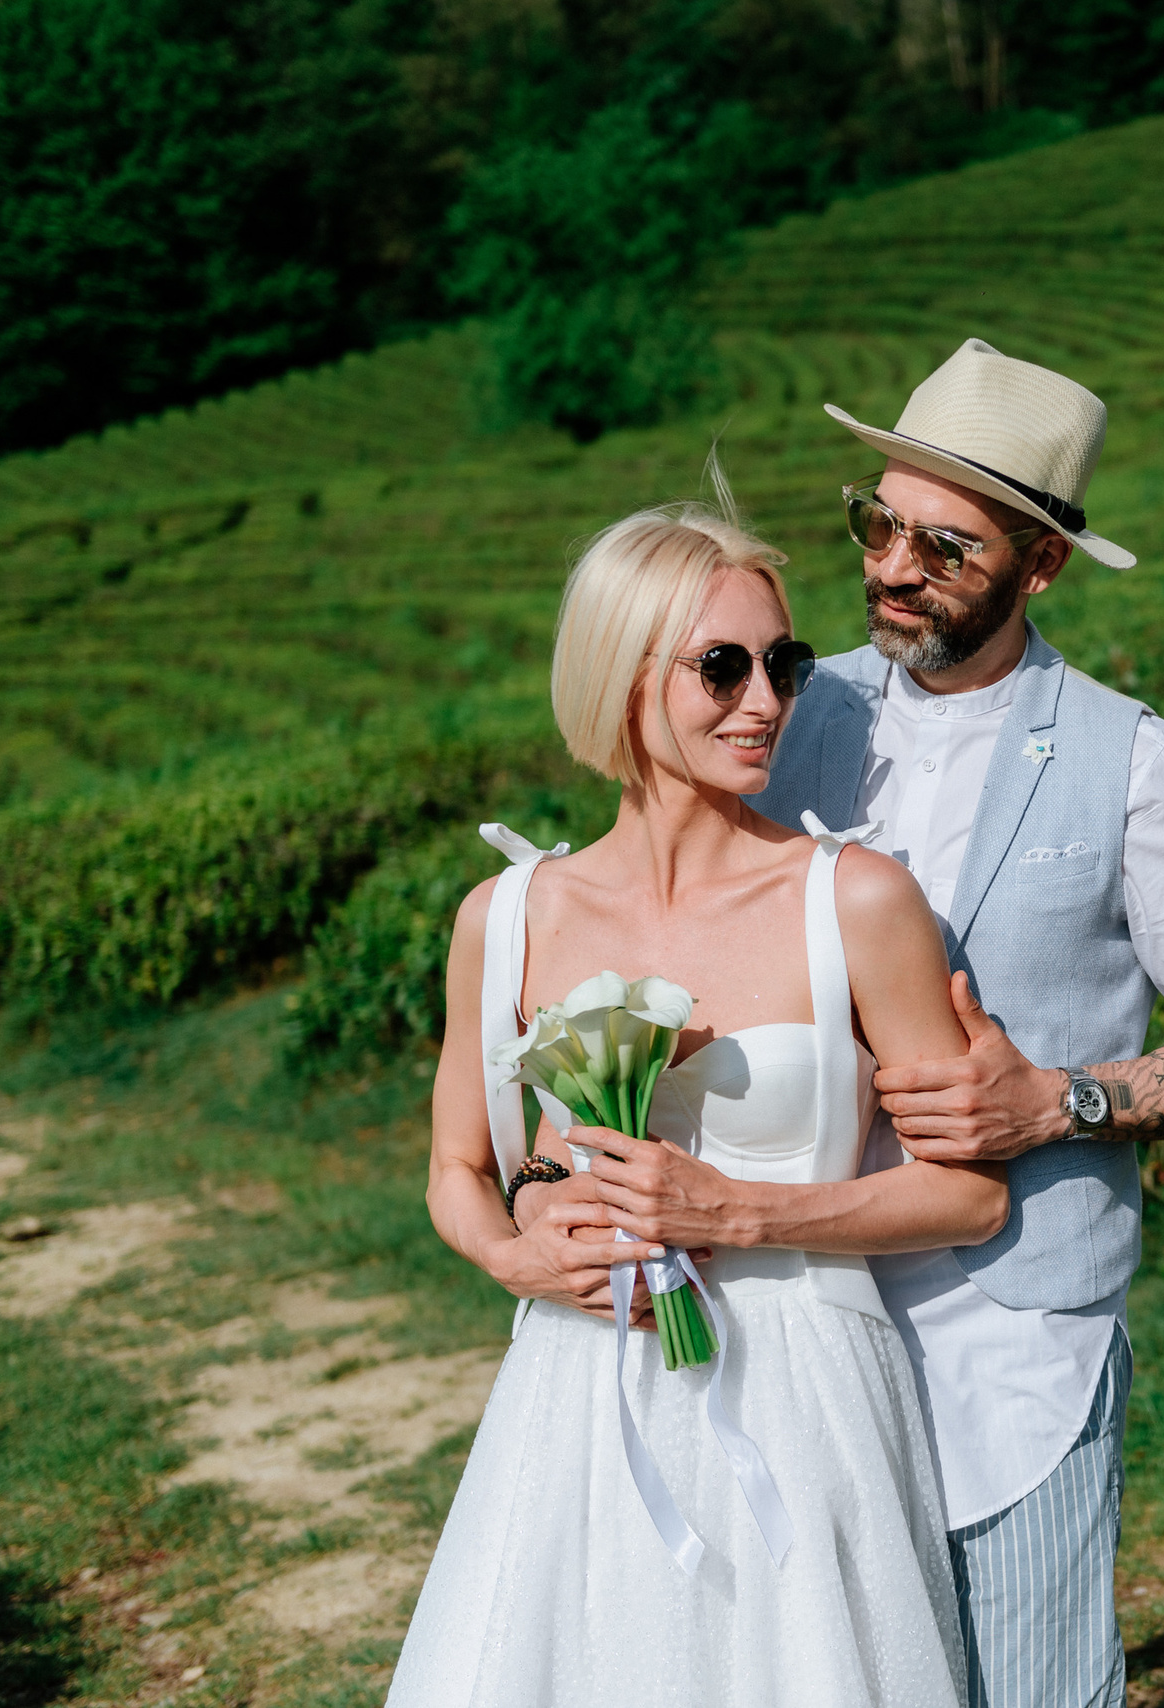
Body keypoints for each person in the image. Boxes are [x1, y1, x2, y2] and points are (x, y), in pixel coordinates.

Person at [751, 337, 1164, 1707]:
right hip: (799, 1306)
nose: (893, 568)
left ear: (1041, 564)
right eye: (876, 524)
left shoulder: (1137, 763)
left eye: (944, 547)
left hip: (1016, 1329)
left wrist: (1062, 1101)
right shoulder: (789, 710)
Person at [387, 493, 1007, 1707]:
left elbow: (970, 1194)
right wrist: (515, 1256)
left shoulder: (857, 900)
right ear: (621, 676)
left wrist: (741, 1211)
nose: (766, 700)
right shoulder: (506, 918)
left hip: (804, 1392)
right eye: (723, 666)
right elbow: (457, 1170)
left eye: (784, 663)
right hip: (580, 1390)